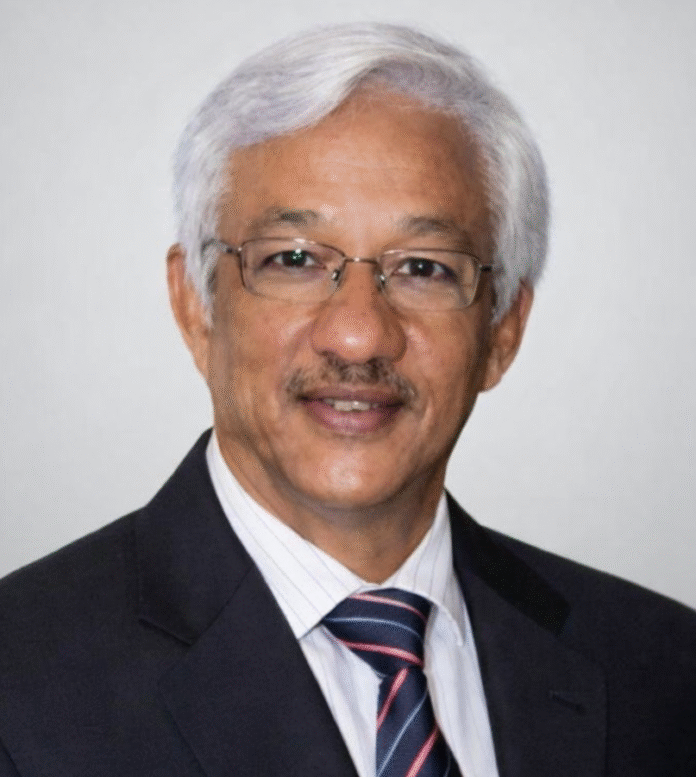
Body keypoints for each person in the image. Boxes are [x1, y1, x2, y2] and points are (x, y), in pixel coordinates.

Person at [0, 22, 694, 777]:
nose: (360, 336)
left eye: (424, 268)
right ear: (196, 306)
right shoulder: (22, 681)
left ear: (503, 330)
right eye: (294, 259)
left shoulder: (664, 671)